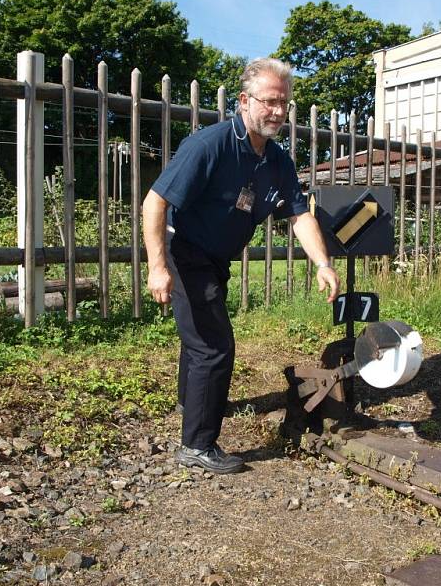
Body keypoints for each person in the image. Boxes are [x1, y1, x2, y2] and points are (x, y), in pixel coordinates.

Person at [142, 58, 340, 474]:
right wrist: (157, 266)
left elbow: (300, 216)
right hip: (184, 253)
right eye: (269, 102)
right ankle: (197, 445)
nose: (278, 112)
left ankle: (190, 402)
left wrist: (322, 263)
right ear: (245, 101)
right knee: (214, 346)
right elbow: (154, 202)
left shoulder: (277, 160)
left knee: (200, 339)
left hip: (214, 259)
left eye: (283, 103)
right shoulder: (209, 145)